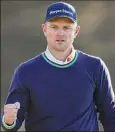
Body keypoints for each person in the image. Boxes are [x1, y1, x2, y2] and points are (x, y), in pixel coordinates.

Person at [1, 1, 115, 131]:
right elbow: (11, 124)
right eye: (54, 27)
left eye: (66, 28)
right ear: (44, 29)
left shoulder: (95, 67)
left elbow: (110, 114)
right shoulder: (26, 71)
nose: (60, 33)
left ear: (76, 31)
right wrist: (8, 121)